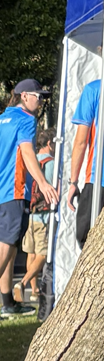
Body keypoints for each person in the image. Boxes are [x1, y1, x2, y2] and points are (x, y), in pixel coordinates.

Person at [0, 78, 58, 324]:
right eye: (39, 97)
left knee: (9, 250)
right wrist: (43, 183)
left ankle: (8, 304)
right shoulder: (26, 120)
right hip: (13, 193)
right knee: (2, 253)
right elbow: (28, 153)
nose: (41, 102)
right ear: (25, 96)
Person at [14, 128, 55, 304]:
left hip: (31, 213)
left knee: (30, 252)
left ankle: (34, 290)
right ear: (49, 144)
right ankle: (22, 283)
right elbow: (54, 187)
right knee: (43, 254)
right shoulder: (51, 163)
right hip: (45, 216)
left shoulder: (31, 162)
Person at [67, 70, 104, 247]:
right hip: (97, 179)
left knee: (87, 239)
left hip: (98, 179)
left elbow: (81, 142)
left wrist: (73, 182)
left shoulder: (94, 89)